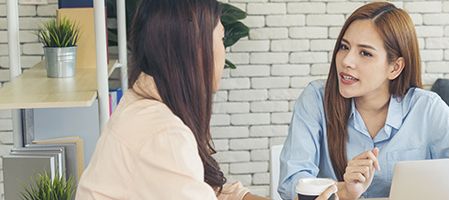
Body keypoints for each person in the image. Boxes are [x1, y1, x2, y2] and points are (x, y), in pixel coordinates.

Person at [74, 0, 337, 199]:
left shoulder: (141, 104)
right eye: (221, 39)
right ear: (196, 49)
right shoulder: (163, 135)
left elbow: (212, 191)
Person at [278, 2, 449, 200]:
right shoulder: (316, 99)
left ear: (395, 67)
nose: (346, 61)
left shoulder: (426, 108)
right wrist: (345, 190)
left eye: (365, 53)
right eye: (344, 47)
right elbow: (291, 184)